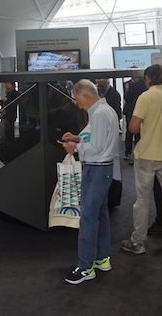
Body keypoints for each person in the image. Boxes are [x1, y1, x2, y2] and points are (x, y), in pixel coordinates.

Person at [121, 64, 162, 254]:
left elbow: (132, 128)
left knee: (143, 199)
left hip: (146, 155)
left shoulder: (145, 97)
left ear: (148, 78)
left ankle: (138, 242)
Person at [60, 80, 119, 284]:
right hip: (100, 169)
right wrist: (77, 139)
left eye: (77, 99)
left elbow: (96, 147)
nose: (77, 104)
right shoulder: (100, 111)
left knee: (88, 217)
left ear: (85, 96)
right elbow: (94, 138)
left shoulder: (100, 113)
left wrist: (74, 149)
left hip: (98, 169)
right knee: (99, 214)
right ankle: (102, 258)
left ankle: (86, 267)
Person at [123, 76, 146, 163]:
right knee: (136, 134)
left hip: (132, 111)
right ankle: (135, 154)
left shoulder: (131, 85)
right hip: (136, 110)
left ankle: (129, 153)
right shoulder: (143, 84)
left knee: (130, 132)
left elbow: (127, 97)